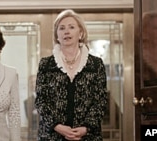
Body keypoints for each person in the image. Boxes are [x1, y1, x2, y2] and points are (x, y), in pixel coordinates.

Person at [35, 9, 108, 141]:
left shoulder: (96, 64)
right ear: (57, 36)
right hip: (52, 136)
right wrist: (58, 126)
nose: (66, 31)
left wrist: (85, 128)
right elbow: (41, 101)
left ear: (80, 33)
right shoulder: (46, 64)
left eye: (71, 27)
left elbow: (100, 101)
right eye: (61, 28)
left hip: (88, 136)